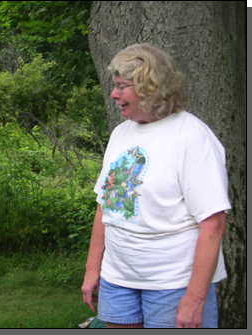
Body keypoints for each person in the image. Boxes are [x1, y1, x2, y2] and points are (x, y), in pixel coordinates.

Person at [82, 43, 231, 328]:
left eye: (121, 87)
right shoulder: (121, 134)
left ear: (149, 87)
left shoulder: (192, 137)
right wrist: (93, 271)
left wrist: (195, 299)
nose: (114, 94)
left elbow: (213, 224)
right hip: (118, 280)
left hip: (174, 284)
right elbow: (105, 207)